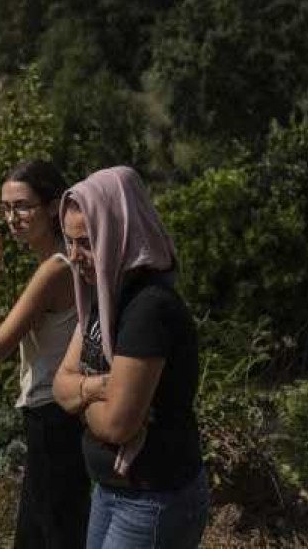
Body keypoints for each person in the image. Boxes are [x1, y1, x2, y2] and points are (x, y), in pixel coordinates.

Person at [52, 167, 208, 549]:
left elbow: (117, 425)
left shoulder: (147, 309)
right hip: (112, 491)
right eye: (69, 243)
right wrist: (101, 386)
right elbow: (58, 385)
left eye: (86, 242)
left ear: (117, 232)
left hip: (151, 498)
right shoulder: (102, 300)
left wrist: (82, 394)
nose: (75, 257)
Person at [0, 160, 90, 549]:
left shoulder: (54, 269)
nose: (13, 217)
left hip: (53, 421)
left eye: (23, 206)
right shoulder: (62, 261)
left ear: (54, 206)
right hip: (61, 420)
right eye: (6, 208)